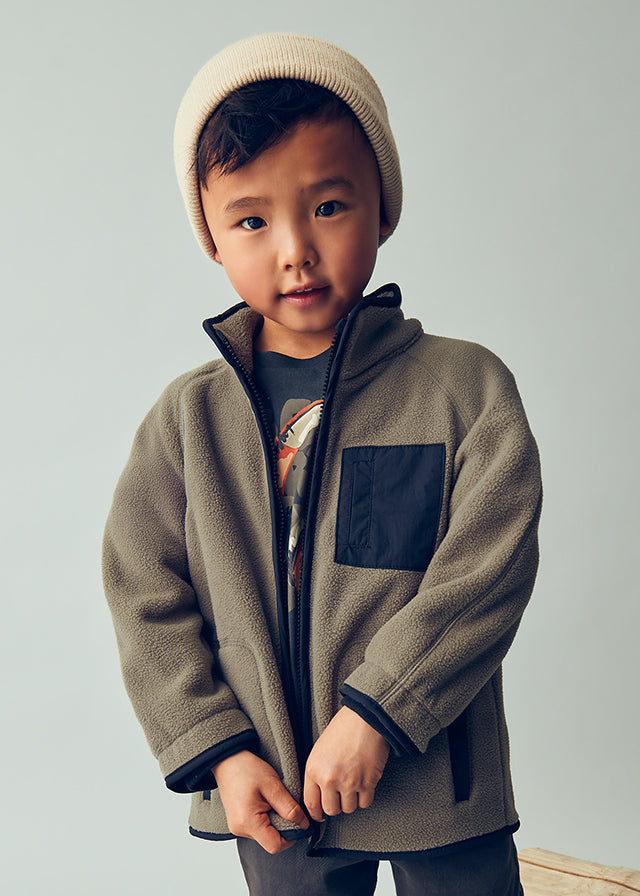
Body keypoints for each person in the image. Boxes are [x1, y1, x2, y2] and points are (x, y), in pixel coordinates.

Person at [103, 32, 541, 896]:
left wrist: (380, 711)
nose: (294, 248)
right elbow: (141, 591)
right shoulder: (188, 421)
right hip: (271, 790)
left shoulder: (465, 389)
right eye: (252, 220)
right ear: (212, 238)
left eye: (329, 206)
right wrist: (221, 751)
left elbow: (487, 571)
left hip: (434, 781)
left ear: (384, 208)